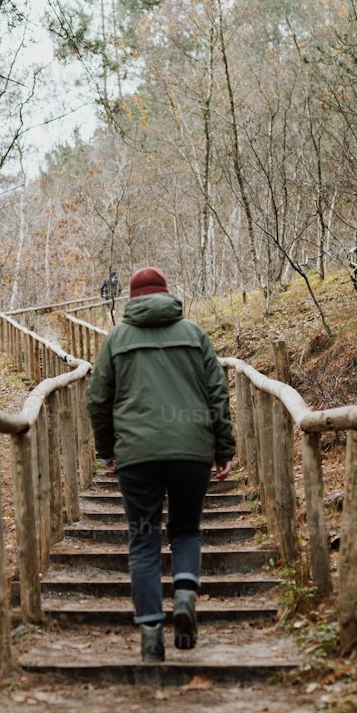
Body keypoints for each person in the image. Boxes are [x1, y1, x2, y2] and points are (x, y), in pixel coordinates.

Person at [87, 267, 236, 662]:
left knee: (144, 540)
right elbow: (217, 393)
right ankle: (185, 595)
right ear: (167, 294)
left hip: (137, 456)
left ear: (131, 299)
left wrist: (108, 450)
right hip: (191, 451)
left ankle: (152, 633)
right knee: (186, 529)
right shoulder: (193, 334)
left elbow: (98, 400)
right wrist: (223, 449)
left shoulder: (116, 339)